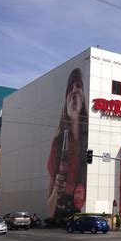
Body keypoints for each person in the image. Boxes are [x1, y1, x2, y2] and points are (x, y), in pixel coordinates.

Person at [47, 68, 89, 218]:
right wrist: (55, 193)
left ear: (83, 96)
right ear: (65, 98)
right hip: (63, 210)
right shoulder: (58, 143)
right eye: (70, 88)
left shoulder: (90, 136)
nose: (74, 92)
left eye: (78, 86)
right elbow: (49, 210)